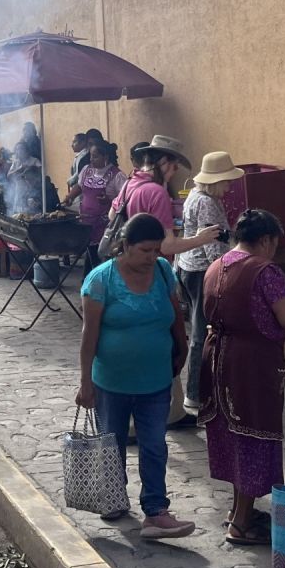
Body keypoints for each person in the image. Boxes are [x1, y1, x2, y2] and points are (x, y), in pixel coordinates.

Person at [75, 213, 194, 540]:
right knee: (111, 443)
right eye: (144, 250)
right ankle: (113, 500)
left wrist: (182, 352)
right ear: (124, 245)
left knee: (155, 445)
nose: (151, 257)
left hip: (156, 381)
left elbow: (176, 317)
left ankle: (156, 511)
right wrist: (85, 381)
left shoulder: (163, 271)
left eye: (156, 250)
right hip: (111, 383)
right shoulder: (101, 280)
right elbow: (89, 335)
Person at [201, 209, 285, 544]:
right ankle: (241, 524)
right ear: (265, 240)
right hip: (251, 364)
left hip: (218, 360)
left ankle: (236, 511)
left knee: (232, 436)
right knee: (252, 437)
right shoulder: (265, 270)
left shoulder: (217, 265)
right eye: (274, 242)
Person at [176, 151, 244, 414]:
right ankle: (194, 394)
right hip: (201, 271)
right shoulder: (206, 202)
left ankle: (201, 390)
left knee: (200, 331)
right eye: (226, 182)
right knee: (200, 333)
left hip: (188, 267)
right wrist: (227, 271)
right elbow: (212, 246)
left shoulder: (196, 195)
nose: (228, 187)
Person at [110, 136, 225, 260]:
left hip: (128, 262)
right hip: (151, 266)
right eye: (175, 167)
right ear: (164, 162)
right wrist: (200, 239)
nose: (174, 173)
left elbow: (112, 215)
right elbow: (166, 246)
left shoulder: (129, 183)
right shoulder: (157, 192)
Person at [66, 139, 121, 265]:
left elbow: (125, 198)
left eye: (95, 157)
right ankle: (88, 278)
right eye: (91, 156)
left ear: (105, 157)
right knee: (90, 254)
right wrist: (70, 196)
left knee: (101, 254)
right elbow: (79, 186)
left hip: (105, 225)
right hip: (86, 221)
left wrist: (109, 200)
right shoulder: (86, 169)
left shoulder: (117, 175)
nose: (91, 159)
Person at [0, 140, 58, 215]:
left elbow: (41, 170)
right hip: (20, 190)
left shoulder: (34, 160)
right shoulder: (16, 162)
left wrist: (30, 169)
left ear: (26, 150)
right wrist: (20, 169)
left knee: (33, 210)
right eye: (17, 149)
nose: (19, 151)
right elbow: (9, 176)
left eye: (21, 149)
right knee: (19, 212)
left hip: (33, 189)